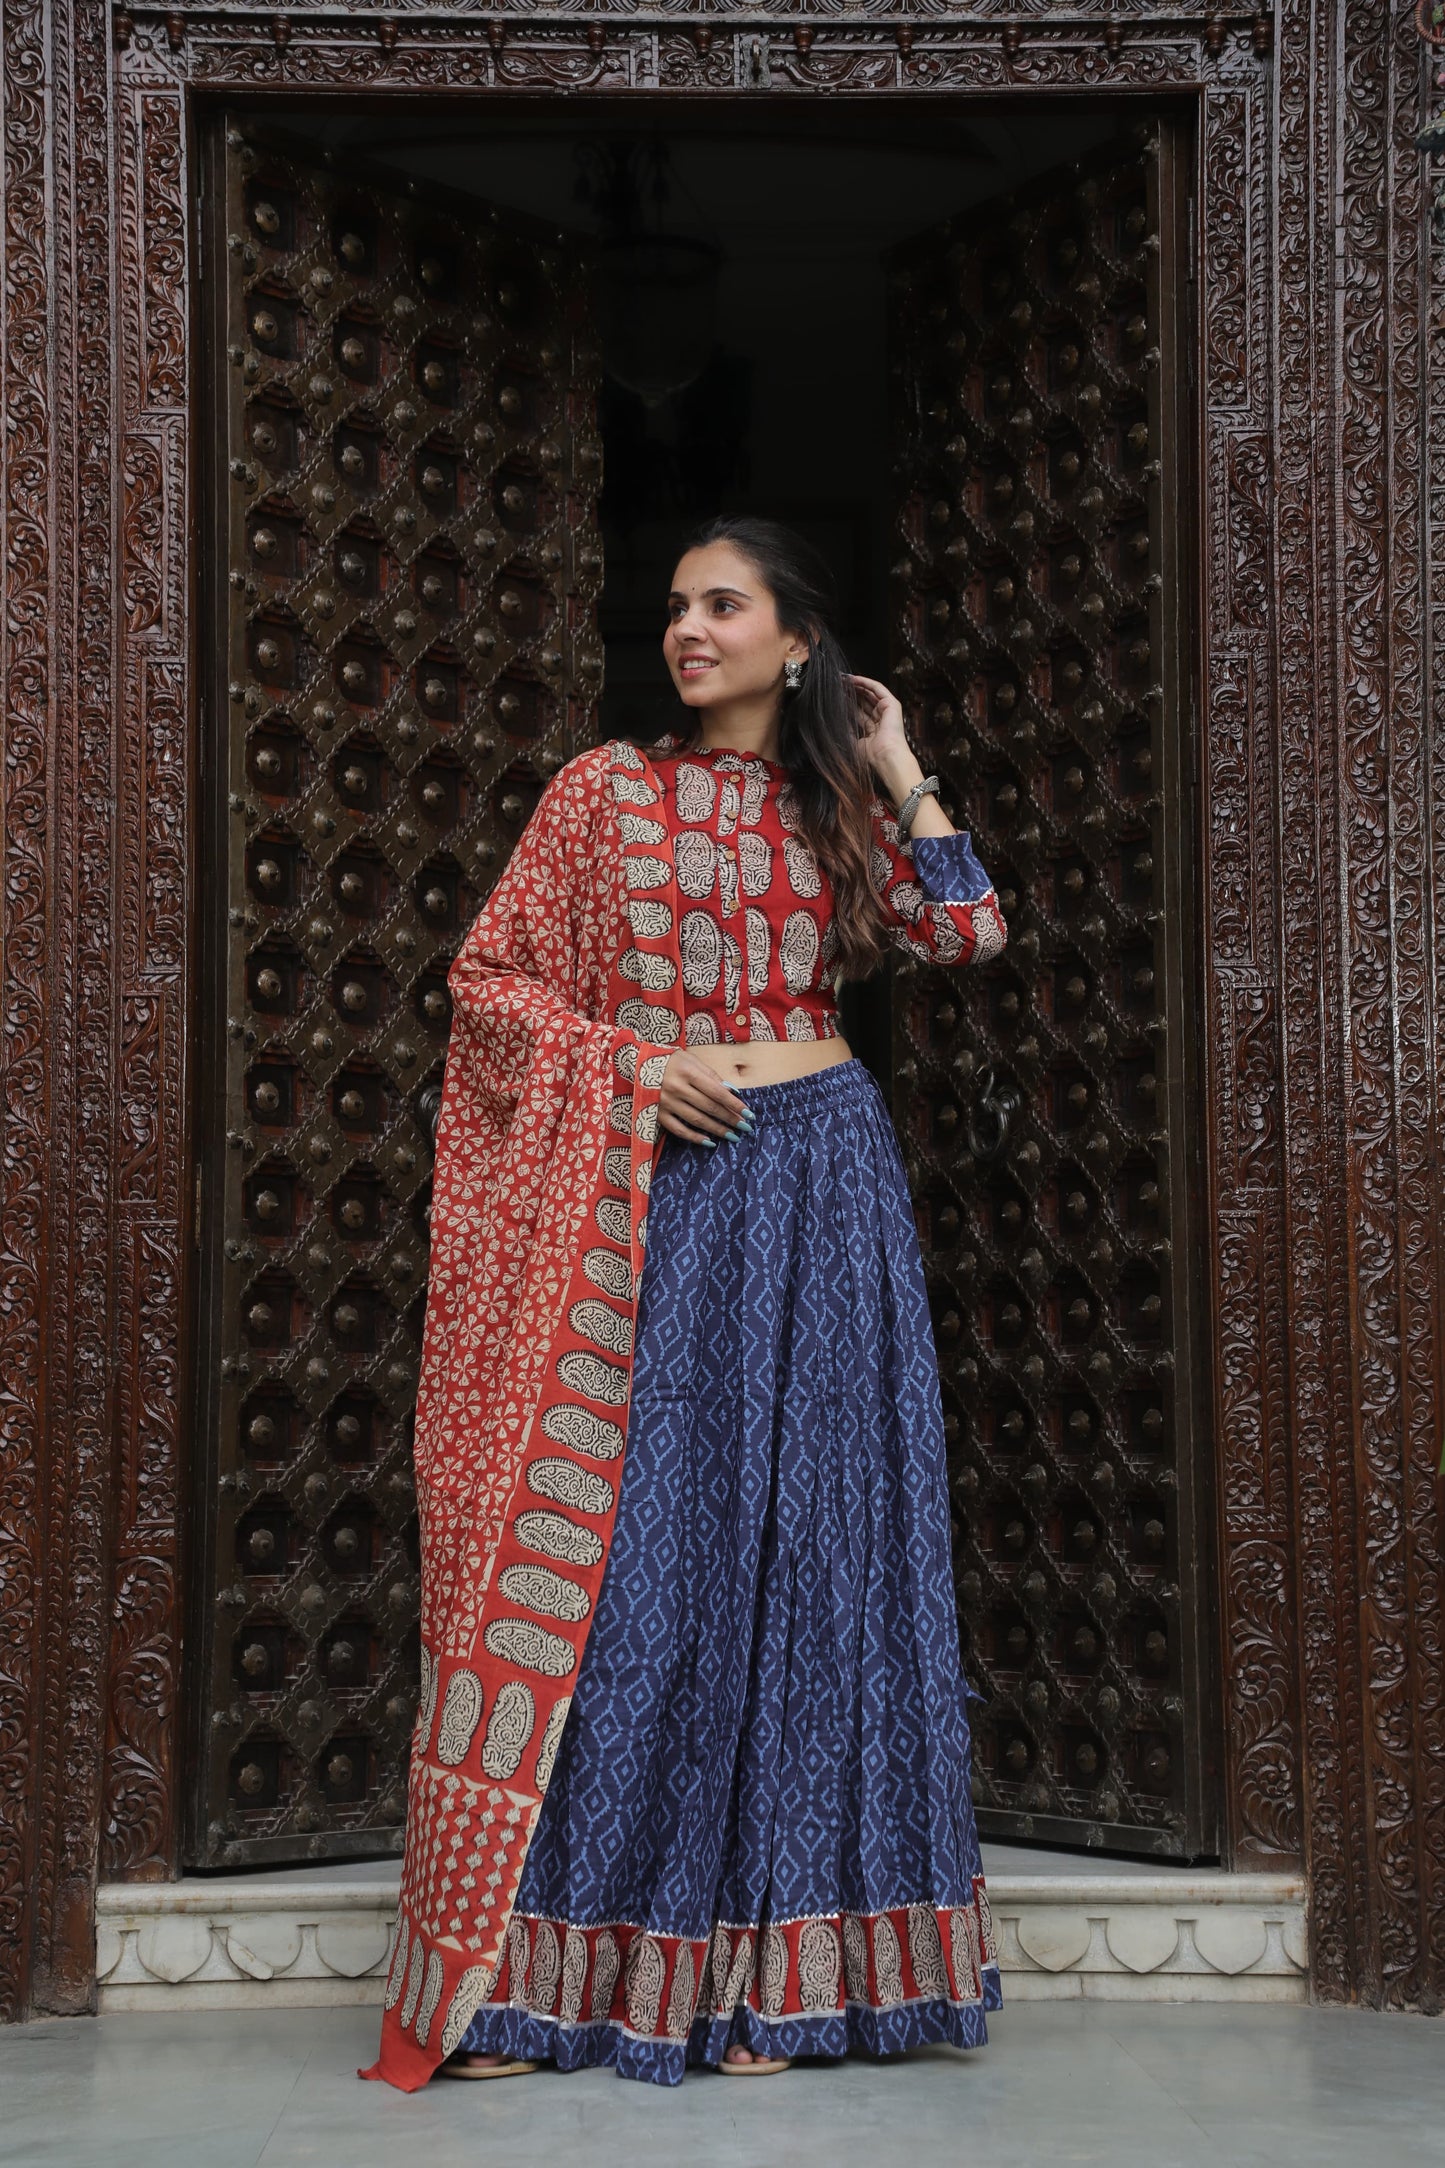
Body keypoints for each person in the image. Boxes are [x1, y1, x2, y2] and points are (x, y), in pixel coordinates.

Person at [363, 517, 1005, 2095]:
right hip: (658, 1191)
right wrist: (636, 1066)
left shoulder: (839, 798)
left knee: (813, 1562)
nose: (688, 630)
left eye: (724, 606)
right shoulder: (604, 792)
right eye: (674, 608)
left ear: (796, 639)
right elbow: (493, 979)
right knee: (636, 1563)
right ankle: (534, 1987)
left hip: (824, 1186)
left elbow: (968, 929)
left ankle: (773, 1984)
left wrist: (901, 755)